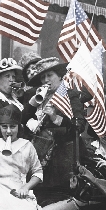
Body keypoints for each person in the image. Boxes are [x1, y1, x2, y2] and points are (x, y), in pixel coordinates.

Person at [25, 57, 86, 187]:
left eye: (49, 75)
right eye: (43, 77)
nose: (46, 80)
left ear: (60, 77)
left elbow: (79, 125)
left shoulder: (70, 95)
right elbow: (23, 118)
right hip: (41, 151)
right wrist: (32, 109)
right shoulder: (39, 96)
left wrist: (55, 118)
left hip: (64, 153)